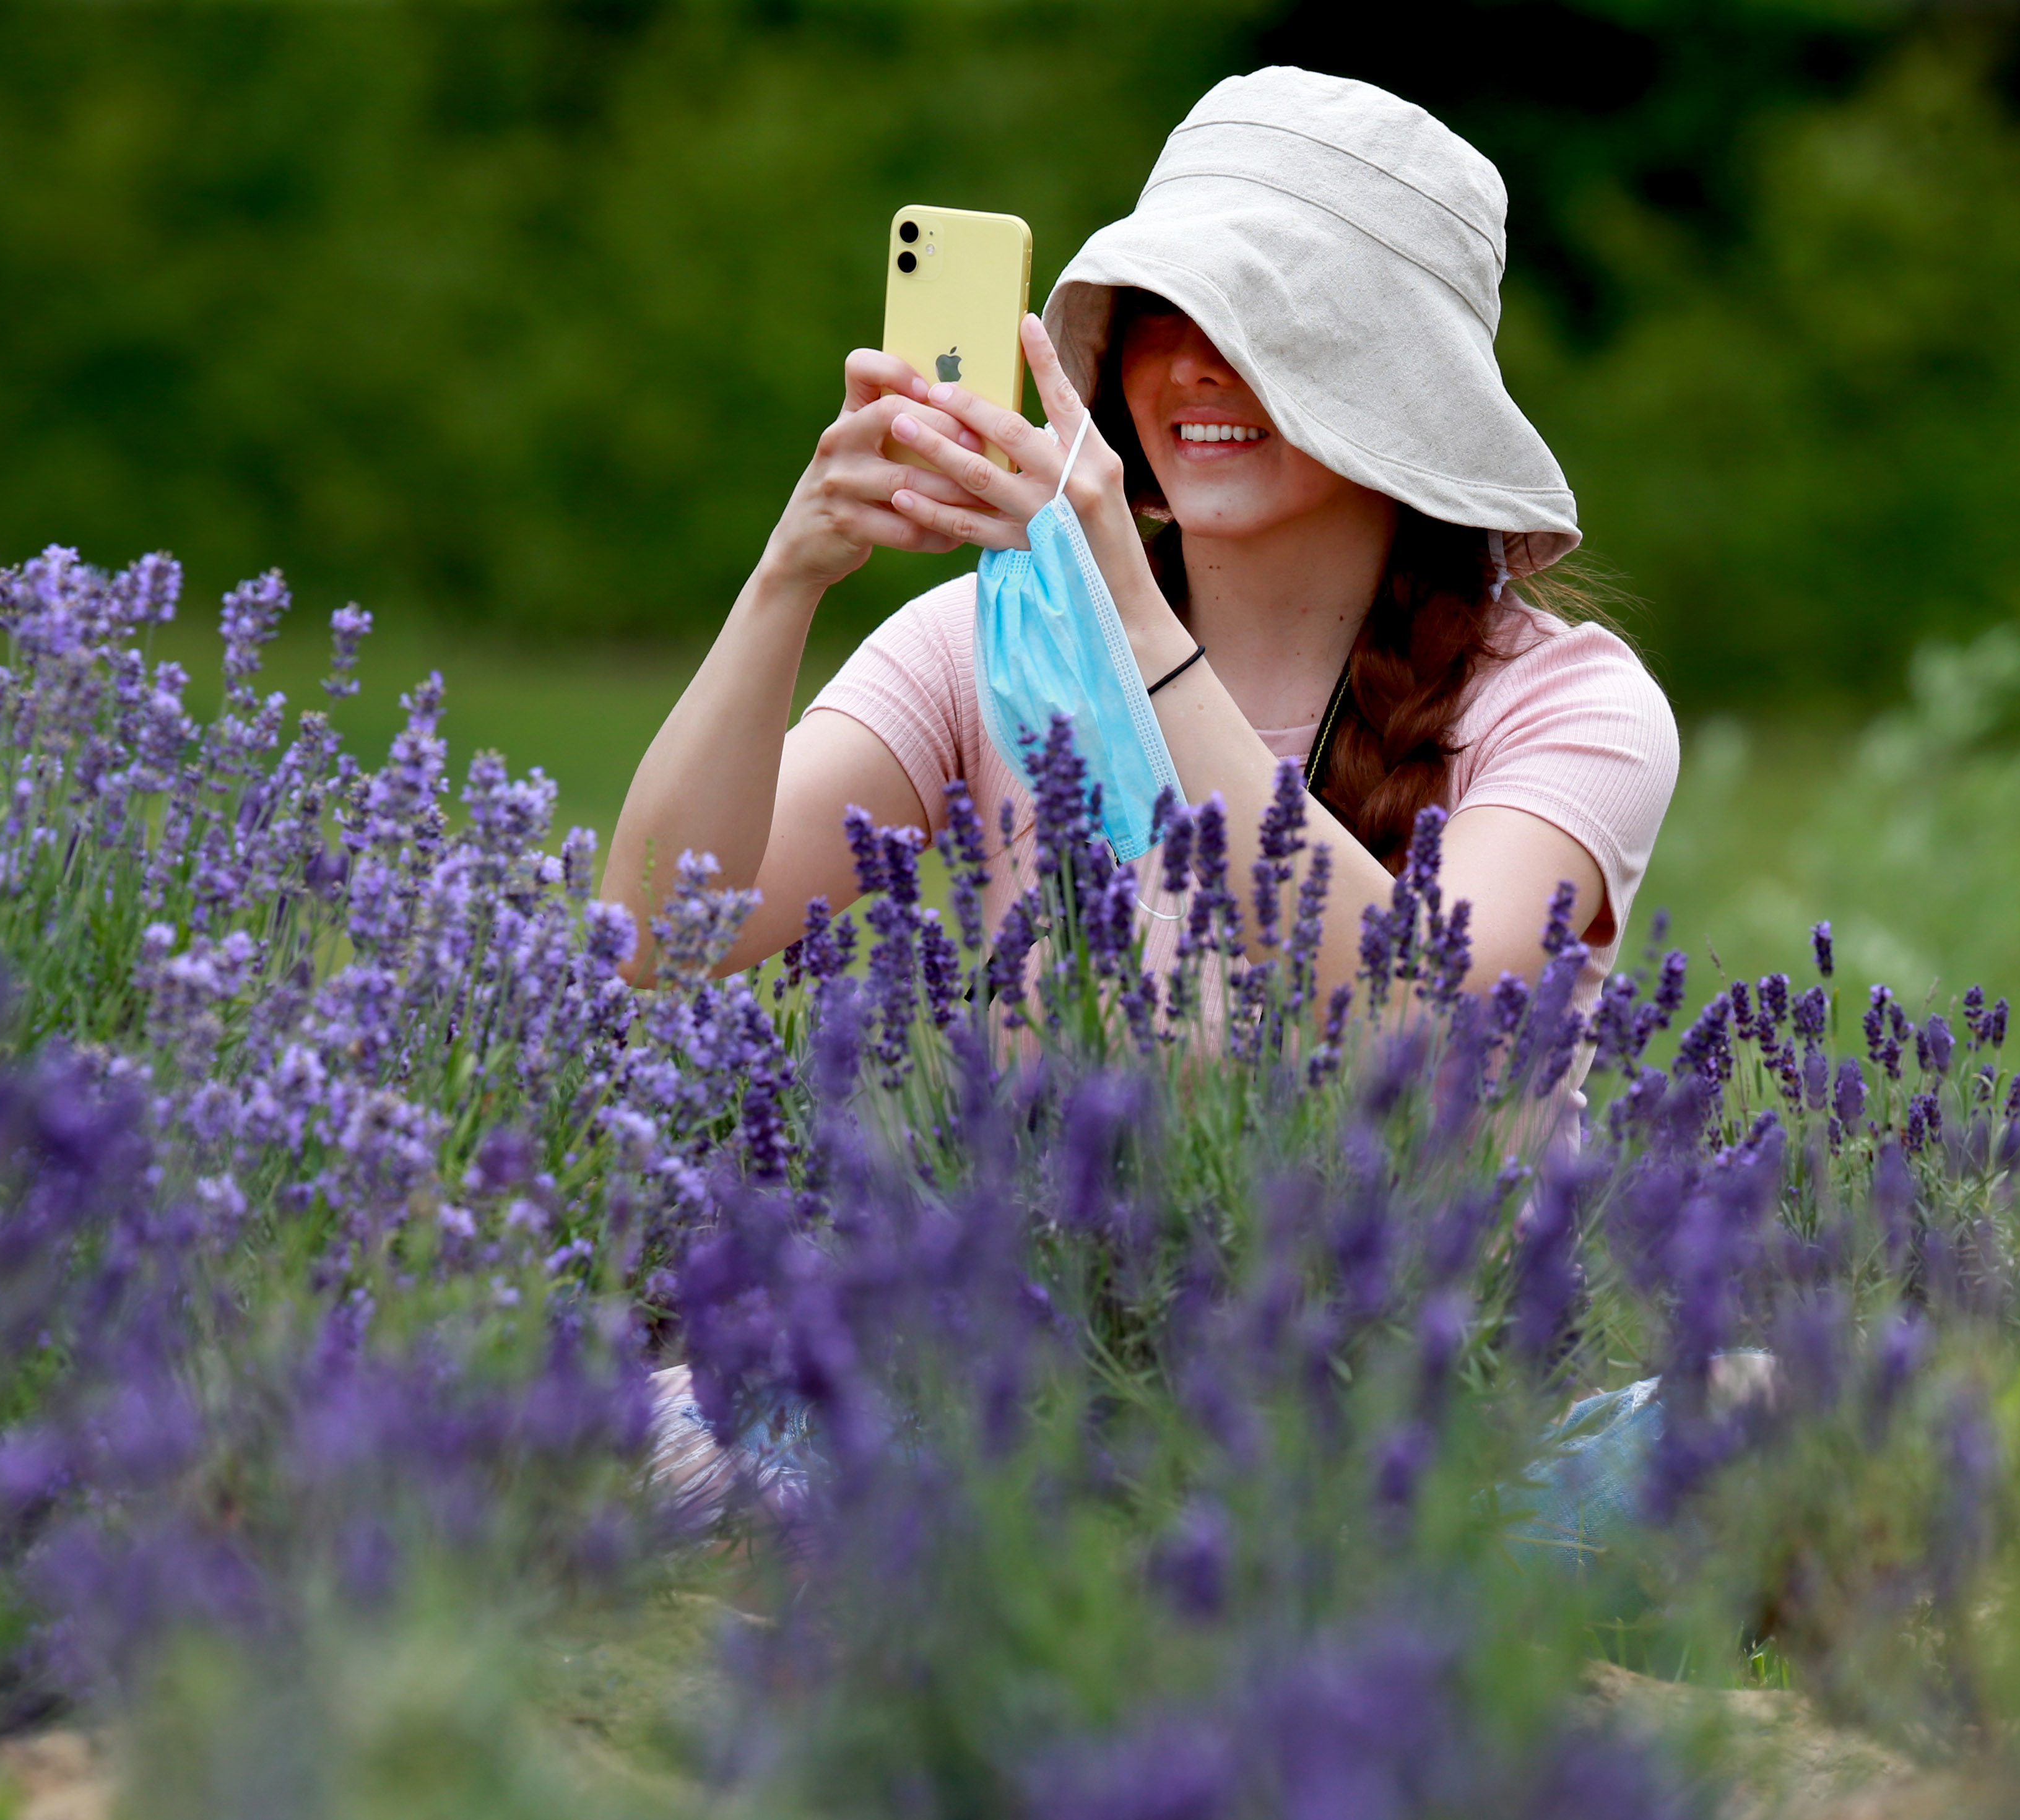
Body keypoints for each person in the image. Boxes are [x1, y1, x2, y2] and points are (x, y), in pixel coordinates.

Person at [619, 67, 1686, 1561]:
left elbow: (1438, 1005)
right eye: (1158, 321)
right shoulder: (983, 646)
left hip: (1401, 1432)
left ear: (1394, 379)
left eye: (1255, 329)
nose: (1189, 373)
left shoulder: (1563, 704)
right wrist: (790, 575)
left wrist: (1132, 611)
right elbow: (663, 934)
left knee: (1771, 1424)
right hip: (1031, 1389)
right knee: (579, 1426)